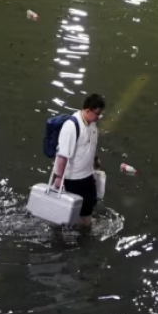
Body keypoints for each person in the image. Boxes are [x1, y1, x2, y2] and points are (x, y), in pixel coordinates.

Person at [53, 93, 105, 228]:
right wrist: (59, 178)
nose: (98, 118)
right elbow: (62, 156)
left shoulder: (92, 124)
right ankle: (62, 233)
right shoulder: (71, 127)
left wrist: (95, 159)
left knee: (89, 204)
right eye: (96, 114)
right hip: (72, 178)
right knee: (69, 213)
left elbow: (91, 143)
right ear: (87, 110)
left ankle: (84, 226)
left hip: (87, 175)